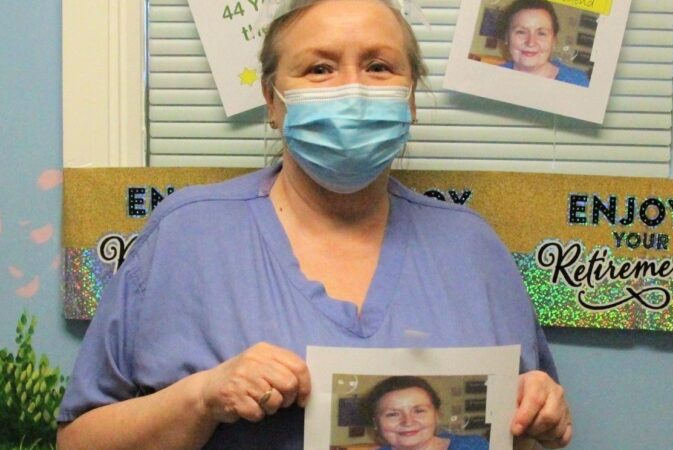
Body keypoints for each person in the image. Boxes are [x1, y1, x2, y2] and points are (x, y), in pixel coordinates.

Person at [56, 0, 572, 448]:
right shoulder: (186, 237)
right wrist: (201, 399)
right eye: (319, 69)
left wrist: (540, 419)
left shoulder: (472, 249)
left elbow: (520, 433)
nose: (352, 92)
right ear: (272, 101)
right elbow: (78, 441)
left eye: (378, 66)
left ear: (411, 99)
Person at [363, 376, 488, 450]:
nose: (408, 422)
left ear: (436, 415)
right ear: (376, 423)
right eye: (393, 414)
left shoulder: (477, 447)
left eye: (419, 411)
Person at [497, 0, 590, 87]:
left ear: (554, 41)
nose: (531, 42)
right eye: (521, 32)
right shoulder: (493, 78)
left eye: (541, 33)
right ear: (507, 37)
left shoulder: (579, 82)